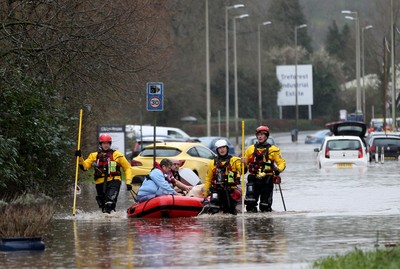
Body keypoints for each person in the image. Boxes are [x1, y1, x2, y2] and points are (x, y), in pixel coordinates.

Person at [75, 134, 133, 214]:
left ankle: (110, 219)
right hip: (100, 183)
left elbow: (127, 168)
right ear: (101, 144)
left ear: (110, 144)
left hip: (114, 181)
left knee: (109, 203)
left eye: (107, 143)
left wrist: (128, 182)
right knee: (103, 208)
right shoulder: (94, 156)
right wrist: (80, 157)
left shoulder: (117, 155)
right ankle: (108, 222)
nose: (106, 145)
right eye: (104, 143)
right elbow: (84, 167)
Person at [242, 125, 286, 213]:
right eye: (258, 135)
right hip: (253, 179)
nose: (260, 136)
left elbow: (282, 163)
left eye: (262, 134)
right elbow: (244, 166)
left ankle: (265, 224)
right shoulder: (250, 149)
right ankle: (252, 224)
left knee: (265, 206)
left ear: (266, 136)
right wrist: (243, 163)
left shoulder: (273, 150)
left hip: (267, 179)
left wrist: (278, 169)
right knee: (250, 204)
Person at [203, 139, 242, 214]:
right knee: (214, 209)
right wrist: (205, 192)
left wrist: (243, 164)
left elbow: (242, 170)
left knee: (230, 211)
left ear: (227, 148)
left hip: (230, 189)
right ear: (217, 150)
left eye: (224, 147)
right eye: (220, 148)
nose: (222, 150)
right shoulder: (212, 163)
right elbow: (208, 179)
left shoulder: (234, 160)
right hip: (217, 190)